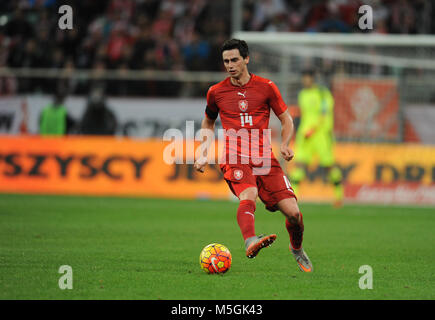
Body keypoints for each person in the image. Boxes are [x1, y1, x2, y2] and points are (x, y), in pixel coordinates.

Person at [194, 39, 312, 272]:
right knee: (249, 193)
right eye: (226, 61)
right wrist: (202, 151)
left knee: (294, 213)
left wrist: (286, 144)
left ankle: (296, 248)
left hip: (264, 157)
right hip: (234, 155)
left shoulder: (266, 87)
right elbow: (208, 121)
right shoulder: (216, 92)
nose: (230, 65)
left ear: (246, 59)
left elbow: (286, 118)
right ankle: (250, 240)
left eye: (235, 60)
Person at [289, 68, 344, 207]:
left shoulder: (323, 94)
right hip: (305, 135)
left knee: (328, 166)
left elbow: (324, 113)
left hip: (320, 135)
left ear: (313, 78)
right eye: (304, 77)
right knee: (299, 164)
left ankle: (339, 196)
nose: (305, 80)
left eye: (308, 77)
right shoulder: (302, 94)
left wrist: (313, 129)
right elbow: (305, 115)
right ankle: (293, 198)